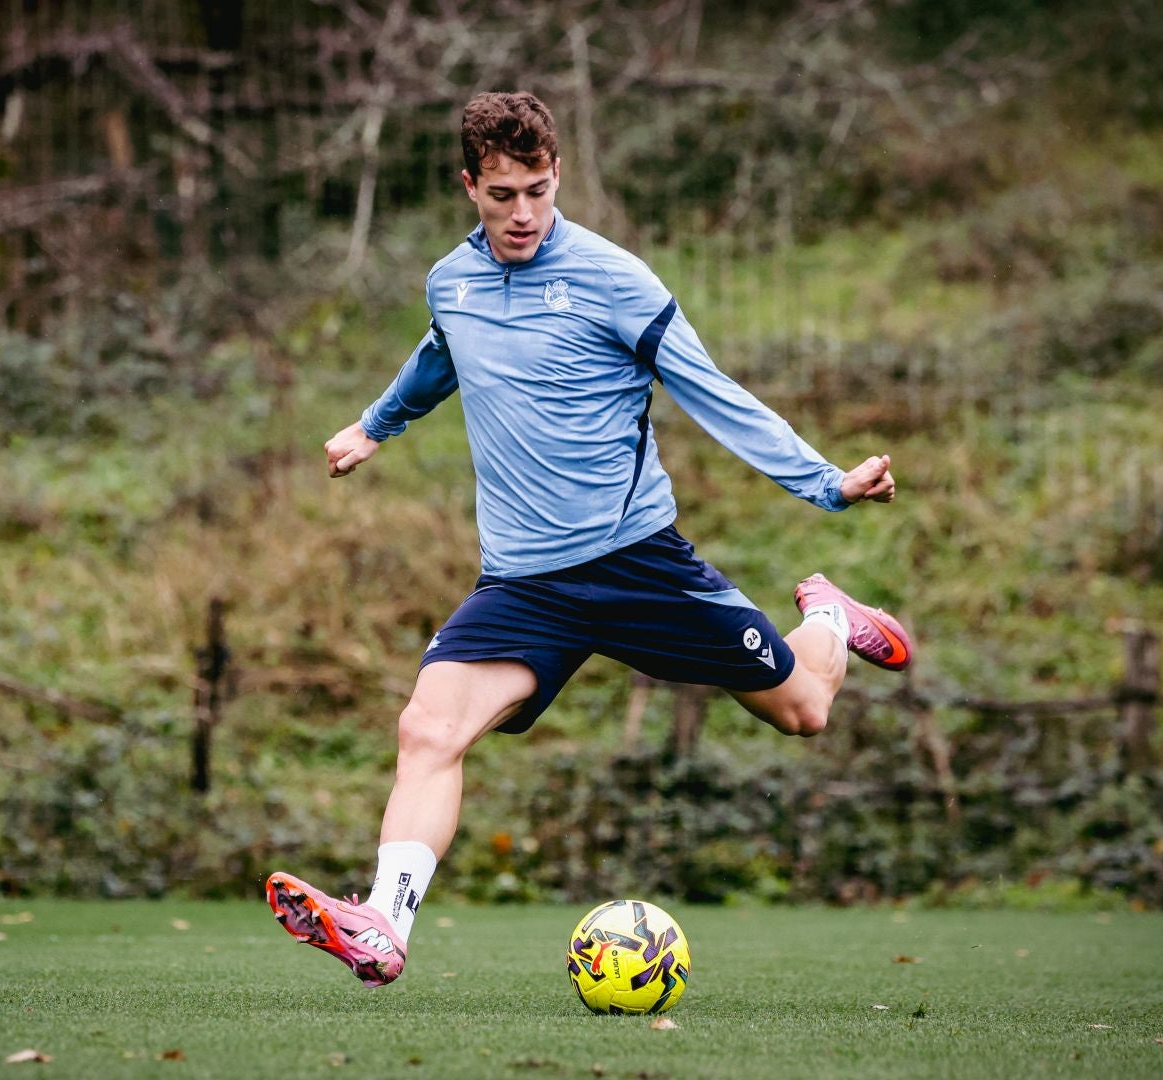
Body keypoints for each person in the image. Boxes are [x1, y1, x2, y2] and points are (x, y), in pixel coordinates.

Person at [265, 91, 911, 988]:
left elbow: (712, 390)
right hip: (523, 584)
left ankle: (831, 617)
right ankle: (384, 923)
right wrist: (376, 426)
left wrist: (826, 484)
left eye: (537, 191)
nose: (522, 214)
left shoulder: (616, 280)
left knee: (804, 710)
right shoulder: (452, 281)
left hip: (636, 564)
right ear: (468, 186)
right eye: (501, 195)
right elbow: (441, 354)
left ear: (558, 175)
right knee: (427, 728)